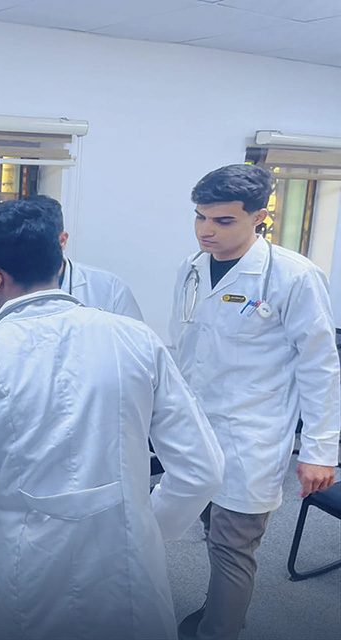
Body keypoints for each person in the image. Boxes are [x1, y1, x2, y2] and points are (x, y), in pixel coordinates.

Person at [0, 198, 224, 640]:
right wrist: (144, 527)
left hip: (23, 565)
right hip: (124, 556)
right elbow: (201, 470)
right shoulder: (136, 339)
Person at [169, 165, 340, 640]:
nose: (206, 230)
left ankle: (220, 630)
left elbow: (320, 367)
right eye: (200, 217)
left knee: (233, 545)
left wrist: (320, 450)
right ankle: (222, 608)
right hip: (196, 429)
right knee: (210, 526)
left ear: (259, 216)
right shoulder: (191, 268)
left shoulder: (294, 276)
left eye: (223, 220)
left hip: (252, 437)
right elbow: (185, 350)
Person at [34, 194, 144, 321]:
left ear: (63, 241)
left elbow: (134, 332)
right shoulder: (13, 284)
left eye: (40, 244)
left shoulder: (111, 289)